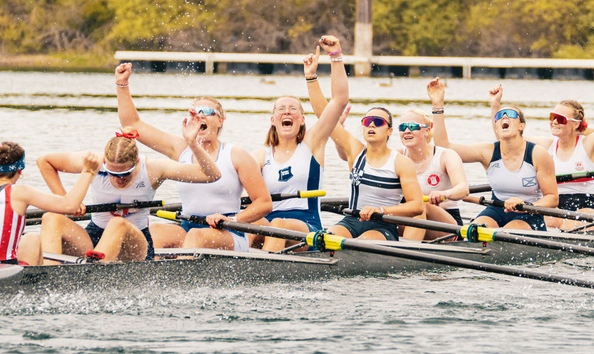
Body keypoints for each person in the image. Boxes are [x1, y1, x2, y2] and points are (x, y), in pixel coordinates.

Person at [116, 63, 272, 251]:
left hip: (229, 230)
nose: (200, 117)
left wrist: (232, 219)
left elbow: (264, 203)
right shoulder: (181, 149)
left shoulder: (236, 155)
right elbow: (132, 124)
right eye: (194, 113)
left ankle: (179, 278)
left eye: (207, 112)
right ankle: (147, 277)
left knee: (196, 237)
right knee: (155, 231)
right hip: (189, 226)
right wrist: (122, 84)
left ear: (221, 120)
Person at [34, 117, 221, 265]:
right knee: (51, 217)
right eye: (111, 173)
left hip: (136, 243)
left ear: (137, 162)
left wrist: (192, 143)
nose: (118, 179)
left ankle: (95, 272)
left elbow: (211, 175)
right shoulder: (92, 162)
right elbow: (45, 161)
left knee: (118, 223)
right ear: (105, 163)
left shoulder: (154, 169)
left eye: (125, 173)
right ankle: (50, 274)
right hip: (95, 234)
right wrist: (68, 200)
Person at [487, 73, 594, 222]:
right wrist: (495, 105)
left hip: (586, 204)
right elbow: (503, 137)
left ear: (575, 124)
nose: (554, 122)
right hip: (555, 205)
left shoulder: (589, 144)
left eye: (560, 119)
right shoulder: (546, 146)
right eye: (552, 117)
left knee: (574, 220)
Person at [252, 35, 350, 252]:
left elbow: (340, 100)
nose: (287, 111)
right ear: (273, 120)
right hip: (268, 225)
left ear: (302, 119)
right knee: (250, 224)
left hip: (307, 228)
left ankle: (259, 274)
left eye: (293, 109)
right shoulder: (260, 156)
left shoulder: (312, 144)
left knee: (277, 226)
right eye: (281, 109)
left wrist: (334, 56)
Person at [428, 78, 559, 231]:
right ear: (496, 128)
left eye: (509, 114)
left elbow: (552, 198)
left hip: (529, 213)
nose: (504, 117)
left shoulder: (538, 154)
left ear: (521, 125)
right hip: (496, 209)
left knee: (508, 232)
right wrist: (437, 106)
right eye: (499, 116)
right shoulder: (488, 152)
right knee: (473, 231)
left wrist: (527, 206)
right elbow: (444, 147)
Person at [306, 87, 424, 240]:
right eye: (367, 121)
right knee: (325, 239)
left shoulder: (401, 163)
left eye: (378, 122)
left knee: (362, 244)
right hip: (351, 221)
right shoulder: (355, 151)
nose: (372, 125)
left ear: (389, 131)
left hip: (383, 225)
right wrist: (310, 77)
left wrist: (381, 210)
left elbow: (417, 206)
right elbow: (323, 114)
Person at [394, 108, 469, 241]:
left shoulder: (446, 156)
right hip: (408, 218)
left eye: (413, 126)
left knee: (420, 207)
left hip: (447, 224)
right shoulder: (395, 156)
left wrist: (445, 194)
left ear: (427, 130)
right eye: (402, 127)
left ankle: (405, 252)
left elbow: (463, 189)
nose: (406, 131)